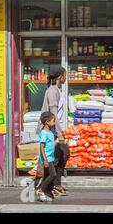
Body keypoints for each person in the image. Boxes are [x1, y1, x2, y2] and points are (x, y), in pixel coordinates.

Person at [36, 65, 69, 197]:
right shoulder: (52, 91)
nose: (66, 77)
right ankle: (46, 187)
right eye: (65, 74)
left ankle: (54, 185)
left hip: (54, 129)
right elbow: (53, 112)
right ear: (60, 77)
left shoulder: (56, 90)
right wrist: (59, 133)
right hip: (49, 130)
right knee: (61, 155)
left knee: (61, 155)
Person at [37, 112, 57, 202]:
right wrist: (45, 160)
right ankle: (40, 190)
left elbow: (51, 145)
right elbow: (42, 147)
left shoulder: (50, 132)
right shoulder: (44, 133)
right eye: (53, 121)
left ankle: (46, 194)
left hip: (50, 158)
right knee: (53, 174)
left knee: (47, 176)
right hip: (47, 158)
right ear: (47, 122)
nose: (54, 123)